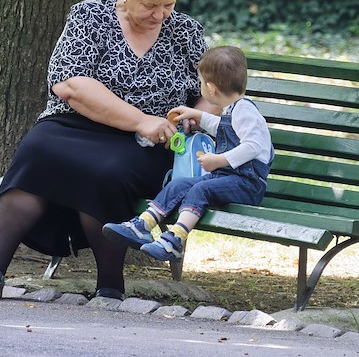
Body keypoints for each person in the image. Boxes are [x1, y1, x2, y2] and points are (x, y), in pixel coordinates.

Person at [0, 0, 213, 302]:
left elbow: (209, 90)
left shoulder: (186, 32)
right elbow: (70, 85)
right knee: (38, 150)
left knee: (107, 171)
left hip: (146, 144)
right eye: (150, 4)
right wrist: (139, 119)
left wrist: (197, 114)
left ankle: (110, 284)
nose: (160, 14)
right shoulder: (89, 17)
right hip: (74, 125)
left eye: (169, 4)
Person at [102, 46, 274, 261]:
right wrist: (197, 115)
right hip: (228, 179)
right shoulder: (234, 109)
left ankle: (175, 240)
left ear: (211, 89)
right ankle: (142, 225)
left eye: (200, 82)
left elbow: (253, 146)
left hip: (247, 185)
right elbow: (222, 127)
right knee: (178, 185)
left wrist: (219, 160)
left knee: (201, 188)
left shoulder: (245, 110)